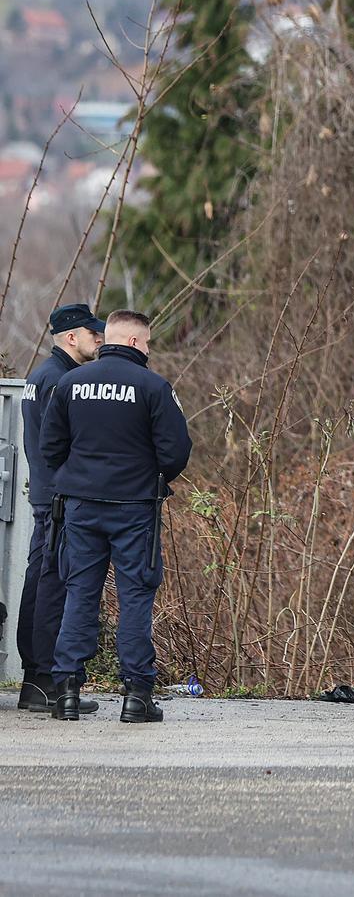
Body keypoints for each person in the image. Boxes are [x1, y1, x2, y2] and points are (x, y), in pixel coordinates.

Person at [40, 309, 192, 723]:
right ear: (131, 342)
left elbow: (50, 446)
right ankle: (137, 696)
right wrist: (146, 477)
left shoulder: (70, 382)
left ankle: (66, 692)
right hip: (134, 509)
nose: (149, 349)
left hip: (81, 507)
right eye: (146, 343)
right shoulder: (153, 387)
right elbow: (176, 451)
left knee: (80, 594)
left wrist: (77, 478)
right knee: (136, 597)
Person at [15, 304, 105, 714]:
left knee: (39, 583)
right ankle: (48, 681)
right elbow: (64, 444)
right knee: (53, 587)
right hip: (59, 500)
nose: (99, 340)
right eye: (93, 334)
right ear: (72, 337)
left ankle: (36, 681)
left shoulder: (39, 376)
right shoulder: (63, 380)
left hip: (44, 496)